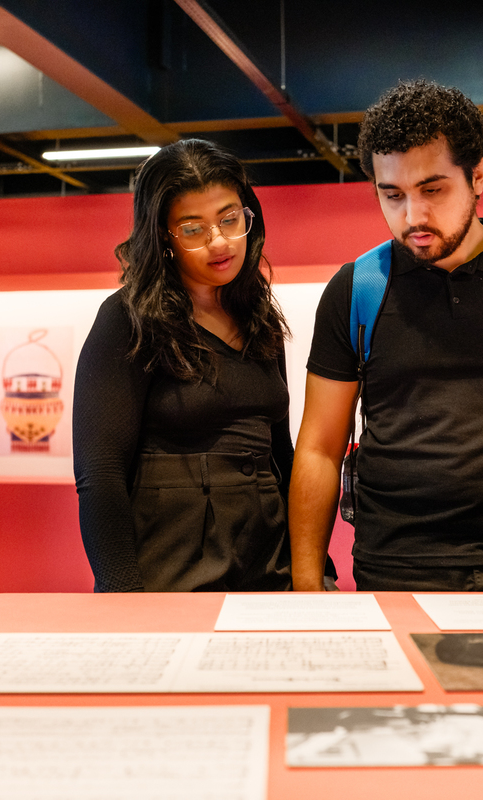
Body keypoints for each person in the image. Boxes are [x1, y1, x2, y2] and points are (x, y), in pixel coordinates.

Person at [288, 80, 483, 592]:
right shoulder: (357, 288)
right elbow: (320, 449)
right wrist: (305, 584)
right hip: (393, 570)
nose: (412, 216)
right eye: (391, 195)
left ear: (478, 173)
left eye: (433, 190)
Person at [72, 139, 295, 592]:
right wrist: (122, 595)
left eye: (231, 220)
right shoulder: (127, 318)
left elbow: (281, 457)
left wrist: (315, 567)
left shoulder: (259, 317)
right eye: (194, 229)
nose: (220, 242)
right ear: (162, 238)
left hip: (268, 567)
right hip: (169, 575)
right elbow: (100, 475)